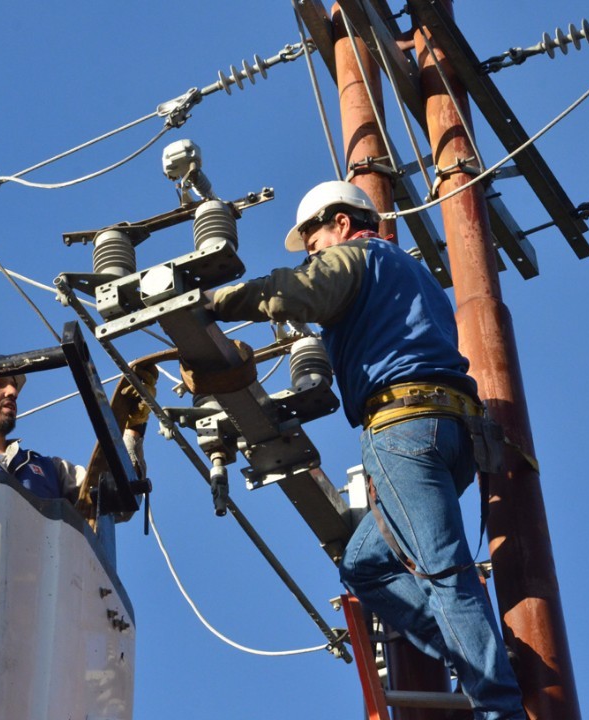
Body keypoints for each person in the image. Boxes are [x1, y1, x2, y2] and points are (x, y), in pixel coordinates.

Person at [209, 181, 525, 720]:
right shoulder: (410, 272)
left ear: (342, 222)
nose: (312, 249)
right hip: (452, 436)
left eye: (314, 238)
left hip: (404, 431)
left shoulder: (357, 256)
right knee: (364, 565)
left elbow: (295, 293)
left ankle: (500, 707)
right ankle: (476, 653)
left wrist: (212, 301)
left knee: (444, 573)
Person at [0, 351, 151, 506]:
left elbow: (114, 502)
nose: (12, 391)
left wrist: (132, 430)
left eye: (13, 385)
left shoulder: (53, 470)